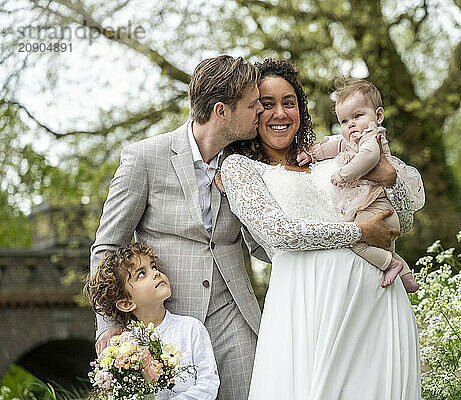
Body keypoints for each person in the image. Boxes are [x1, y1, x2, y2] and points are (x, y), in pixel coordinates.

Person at [90, 55, 405, 400]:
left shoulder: (241, 165)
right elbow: (108, 246)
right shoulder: (145, 158)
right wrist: (111, 326)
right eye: (255, 104)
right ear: (223, 112)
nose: (261, 113)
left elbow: (261, 243)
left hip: (236, 318)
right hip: (165, 322)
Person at [222, 58, 422, 399]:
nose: (280, 113)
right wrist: (358, 233)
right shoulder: (240, 168)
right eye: (266, 105)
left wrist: (390, 178)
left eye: (289, 102)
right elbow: (280, 233)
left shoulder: (334, 151)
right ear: (251, 111)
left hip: (376, 296)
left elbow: (403, 216)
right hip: (307, 303)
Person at [298, 77, 423, 289]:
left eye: (357, 116)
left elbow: (369, 156)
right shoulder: (350, 140)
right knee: (382, 244)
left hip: (378, 204)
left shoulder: (370, 137)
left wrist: (344, 175)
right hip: (374, 206)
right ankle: (406, 275)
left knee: (355, 240)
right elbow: (333, 146)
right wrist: (312, 154)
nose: (351, 125)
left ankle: (391, 265)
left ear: (378, 116)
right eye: (344, 121)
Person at [83, 243, 220, 399]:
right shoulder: (121, 348)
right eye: (141, 274)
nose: (156, 273)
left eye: (154, 267)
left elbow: (209, 383)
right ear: (127, 303)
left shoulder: (191, 329)